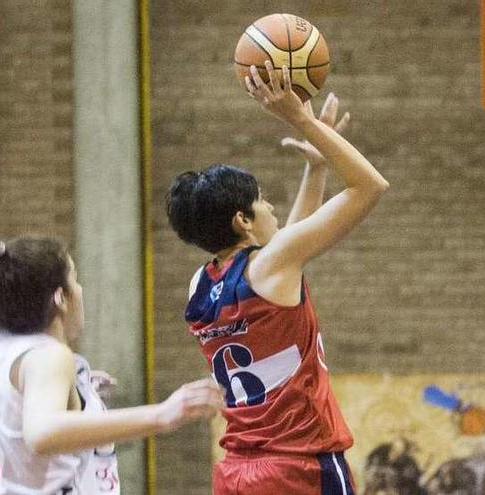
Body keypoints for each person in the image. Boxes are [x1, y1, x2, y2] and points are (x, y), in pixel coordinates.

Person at [166, 61, 388, 494]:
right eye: (263, 200)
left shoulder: (201, 283)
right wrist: (301, 119)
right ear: (242, 220)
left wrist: (317, 168)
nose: (271, 208)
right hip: (299, 466)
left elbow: (288, 246)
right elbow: (369, 186)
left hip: (238, 472)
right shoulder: (269, 266)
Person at [0, 236, 222, 494]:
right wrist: (163, 413)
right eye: (75, 278)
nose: (81, 289)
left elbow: (15, 427)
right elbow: (41, 433)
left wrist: (81, 392)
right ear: (60, 297)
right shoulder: (48, 356)